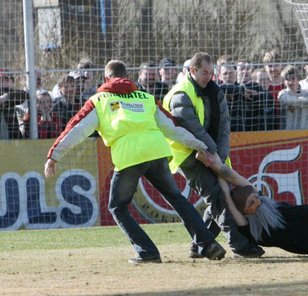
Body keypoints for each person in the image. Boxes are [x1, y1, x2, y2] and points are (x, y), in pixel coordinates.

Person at [44, 59, 226, 264]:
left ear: (106, 78)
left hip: (129, 156)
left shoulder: (99, 100)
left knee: (117, 207)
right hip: (157, 152)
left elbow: (76, 130)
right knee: (176, 198)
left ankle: (147, 251)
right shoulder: (146, 98)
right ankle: (208, 243)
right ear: (127, 77)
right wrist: (199, 145)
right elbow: (173, 127)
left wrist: (54, 155)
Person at [162, 52, 264, 258]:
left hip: (214, 154)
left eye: (211, 73)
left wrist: (220, 155)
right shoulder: (180, 95)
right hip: (188, 156)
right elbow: (193, 130)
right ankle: (239, 244)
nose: (208, 77)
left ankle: (199, 245)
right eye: (204, 73)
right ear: (192, 70)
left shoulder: (215, 92)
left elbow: (225, 126)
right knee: (218, 195)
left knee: (219, 195)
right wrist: (213, 153)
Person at [278, 65, 308, 130]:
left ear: (298, 78)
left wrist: (301, 100)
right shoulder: (282, 93)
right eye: (287, 79)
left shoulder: (307, 92)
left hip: (305, 132)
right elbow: (288, 100)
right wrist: (304, 101)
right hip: (287, 132)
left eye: (293, 78)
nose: (290, 82)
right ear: (284, 81)